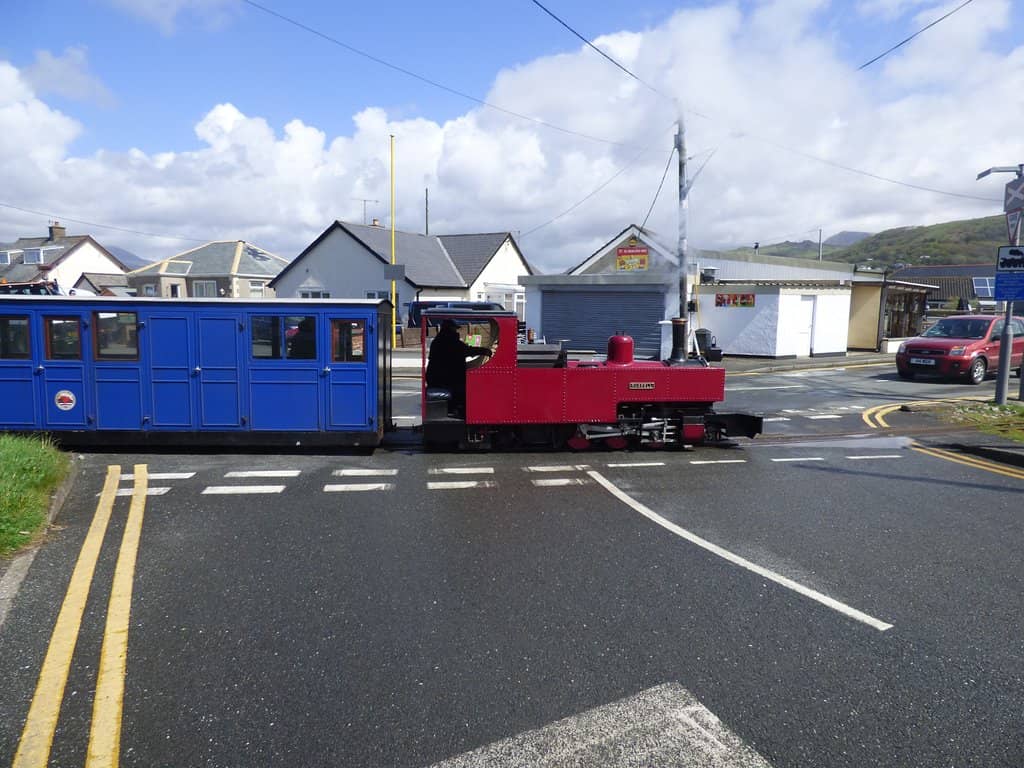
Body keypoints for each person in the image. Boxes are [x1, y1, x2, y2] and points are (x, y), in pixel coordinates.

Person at [425, 319, 492, 416]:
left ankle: (457, 409)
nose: (456, 331)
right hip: (442, 379)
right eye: (454, 329)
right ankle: (462, 413)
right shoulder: (448, 341)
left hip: (438, 376)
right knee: (468, 390)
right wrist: (483, 351)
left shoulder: (440, 339)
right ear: (450, 329)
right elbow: (466, 350)